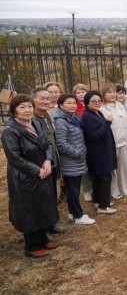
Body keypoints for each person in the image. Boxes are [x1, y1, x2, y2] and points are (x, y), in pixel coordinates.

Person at [1, 94, 59, 258]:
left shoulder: (35, 123)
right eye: (22, 107)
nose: (27, 110)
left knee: (42, 205)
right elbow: (15, 158)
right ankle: (31, 246)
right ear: (14, 111)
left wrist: (48, 161)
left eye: (29, 106)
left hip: (43, 171)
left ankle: (43, 238)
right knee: (30, 209)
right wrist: (36, 170)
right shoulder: (10, 132)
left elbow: (47, 144)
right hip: (25, 177)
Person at [53, 94, 98, 222]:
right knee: (73, 190)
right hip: (71, 160)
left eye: (74, 103)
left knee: (74, 189)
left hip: (77, 160)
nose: (72, 105)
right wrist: (77, 153)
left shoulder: (74, 118)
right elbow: (61, 144)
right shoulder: (61, 121)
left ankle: (72, 213)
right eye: (69, 103)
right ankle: (78, 216)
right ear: (61, 105)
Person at [32, 88, 66, 234]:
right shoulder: (32, 119)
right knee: (43, 197)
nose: (46, 101)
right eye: (42, 98)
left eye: (48, 98)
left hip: (52, 160)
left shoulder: (46, 115)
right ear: (33, 99)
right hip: (40, 164)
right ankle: (43, 228)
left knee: (52, 193)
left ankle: (52, 223)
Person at [82, 91, 117, 215]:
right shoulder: (87, 117)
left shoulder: (97, 113)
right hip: (98, 154)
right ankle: (103, 206)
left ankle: (99, 201)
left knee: (98, 178)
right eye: (93, 101)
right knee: (104, 178)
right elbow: (94, 135)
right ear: (87, 103)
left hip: (102, 152)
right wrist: (107, 123)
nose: (97, 103)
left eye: (98, 101)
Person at [100, 83, 127, 200]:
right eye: (109, 92)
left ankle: (126, 189)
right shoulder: (101, 109)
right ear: (103, 94)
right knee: (113, 170)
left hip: (123, 142)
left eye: (114, 92)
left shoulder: (120, 105)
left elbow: (126, 123)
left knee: (125, 167)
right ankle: (115, 192)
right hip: (110, 144)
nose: (112, 94)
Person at [72, 83, 92, 202]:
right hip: (81, 139)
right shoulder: (74, 107)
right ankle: (86, 189)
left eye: (83, 91)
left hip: (92, 139)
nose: (81, 94)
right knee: (84, 166)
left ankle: (93, 187)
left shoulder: (91, 104)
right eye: (78, 92)